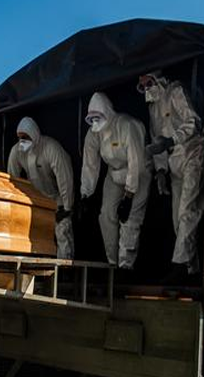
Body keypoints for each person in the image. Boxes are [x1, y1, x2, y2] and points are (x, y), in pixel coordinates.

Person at [139, 72, 204, 278]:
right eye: (142, 87)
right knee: (178, 218)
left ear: (158, 79)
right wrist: (160, 171)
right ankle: (191, 269)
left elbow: (193, 122)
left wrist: (171, 140)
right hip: (174, 162)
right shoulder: (152, 109)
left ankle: (178, 266)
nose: (146, 89)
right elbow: (155, 140)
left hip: (193, 153)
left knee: (188, 211)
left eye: (148, 83)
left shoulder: (175, 91)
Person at [80, 92, 151, 269]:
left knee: (130, 220)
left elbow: (136, 161)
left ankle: (125, 266)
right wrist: (85, 193)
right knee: (106, 216)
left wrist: (128, 195)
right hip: (114, 173)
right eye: (92, 118)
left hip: (139, 172)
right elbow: (90, 164)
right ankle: (113, 263)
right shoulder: (93, 134)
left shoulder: (127, 126)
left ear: (107, 112)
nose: (95, 122)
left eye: (98, 117)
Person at [8, 117, 75, 259]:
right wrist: (17, 202)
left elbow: (65, 178)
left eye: (25, 137)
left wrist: (67, 206)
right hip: (36, 198)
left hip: (57, 197)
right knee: (36, 233)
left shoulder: (51, 148)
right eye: (19, 137)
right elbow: (12, 178)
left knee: (62, 230)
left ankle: (65, 267)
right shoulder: (17, 152)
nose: (22, 141)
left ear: (34, 135)